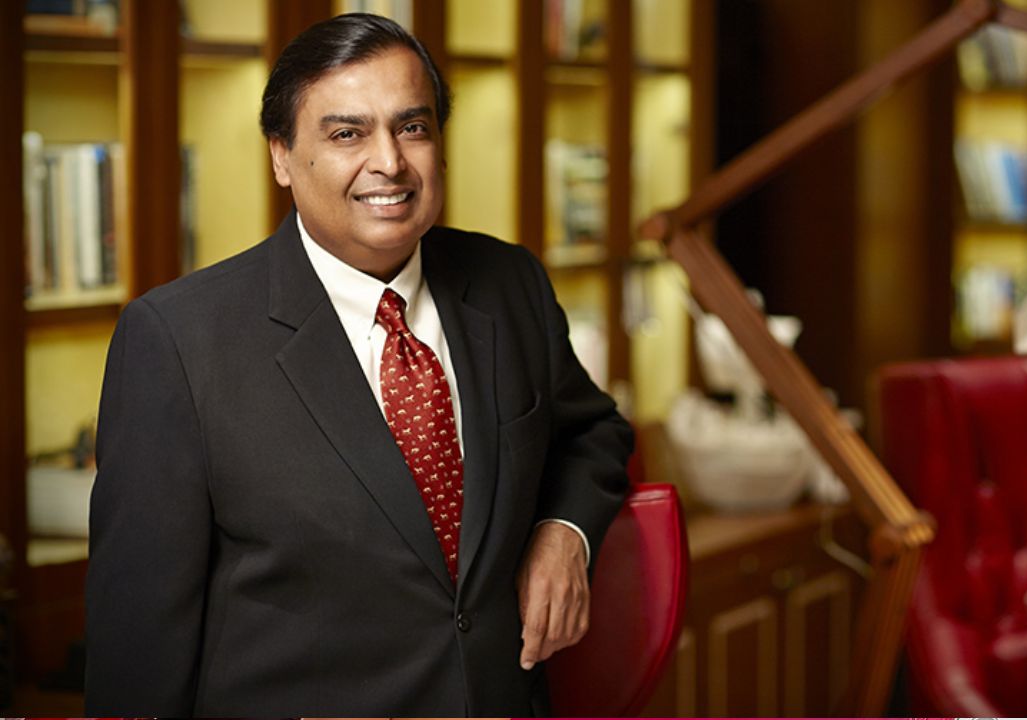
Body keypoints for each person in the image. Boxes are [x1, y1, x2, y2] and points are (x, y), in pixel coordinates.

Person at [84, 13, 632, 716]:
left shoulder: (509, 281)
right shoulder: (178, 340)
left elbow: (591, 433)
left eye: (413, 127)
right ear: (282, 156)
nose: (390, 163)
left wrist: (564, 533)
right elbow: (137, 647)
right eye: (347, 134)